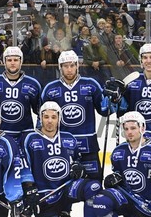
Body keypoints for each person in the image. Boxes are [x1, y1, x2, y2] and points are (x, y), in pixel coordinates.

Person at [20, 101, 103, 217]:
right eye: (46, 117)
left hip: (67, 189)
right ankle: (57, 216)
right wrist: (29, 189)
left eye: (53, 117)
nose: (50, 121)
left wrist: (78, 168)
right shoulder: (30, 139)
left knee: (94, 187)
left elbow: (77, 160)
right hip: (45, 194)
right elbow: (23, 166)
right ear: (40, 118)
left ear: (59, 118)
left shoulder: (69, 137)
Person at [39, 50, 107, 180]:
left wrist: (113, 99)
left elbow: (104, 110)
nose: (69, 69)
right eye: (65, 66)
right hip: (63, 146)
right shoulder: (50, 89)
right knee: (65, 189)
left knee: (94, 185)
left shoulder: (91, 85)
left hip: (88, 146)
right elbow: (41, 120)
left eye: (72, 65)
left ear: (77, 66)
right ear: (60, 67)